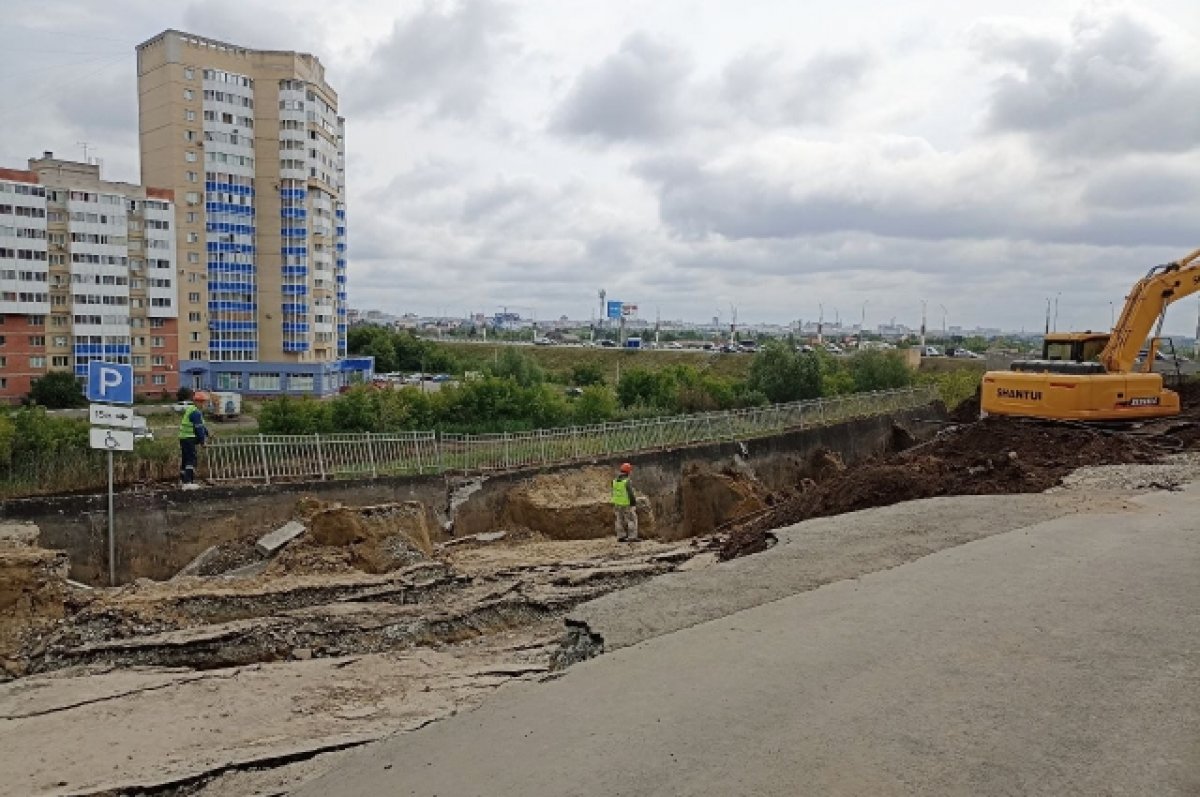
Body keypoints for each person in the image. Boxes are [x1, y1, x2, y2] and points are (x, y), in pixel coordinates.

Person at [178, 388, 209, 490]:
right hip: (189, 438)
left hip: (183, 438)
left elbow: (202, 426)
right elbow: (199, 429)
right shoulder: (196, 413)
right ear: (198, 402)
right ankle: (188, 482)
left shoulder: (191, 410)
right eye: (203, 402)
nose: (204, 404)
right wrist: (203, 441)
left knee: (185, 459)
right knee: (191, 460)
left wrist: (208, 433)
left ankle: (183, 481)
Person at [611, 462, 638, 542]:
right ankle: (632, 537)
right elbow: (630, 493)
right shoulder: (626, 482)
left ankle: (621, 536)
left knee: (619, 520)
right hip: (626, 503)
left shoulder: (614, 481)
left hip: (617, 504)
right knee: (631, 519)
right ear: (628, 472)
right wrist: (633, 502)